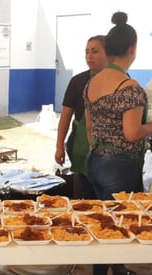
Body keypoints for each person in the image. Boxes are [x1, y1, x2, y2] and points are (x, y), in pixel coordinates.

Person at [84, 12, 149, 275]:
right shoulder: (129, 86)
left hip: (96, 161)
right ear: (133, 48)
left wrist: (99, 152)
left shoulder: (91, 83)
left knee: (104, 221)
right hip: (120, 166)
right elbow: (133, 133)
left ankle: (115, 269)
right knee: (114, 226)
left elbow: (89, 127)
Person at [55, 35, 108, 199]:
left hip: (110, 150)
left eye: (95, 51)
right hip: (80, 146)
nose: (89, 56)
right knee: (83, 194)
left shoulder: (120, 82)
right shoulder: (78, 81)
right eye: (87, 52)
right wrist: (59, 146)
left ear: (108, 53)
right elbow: (65, 116)